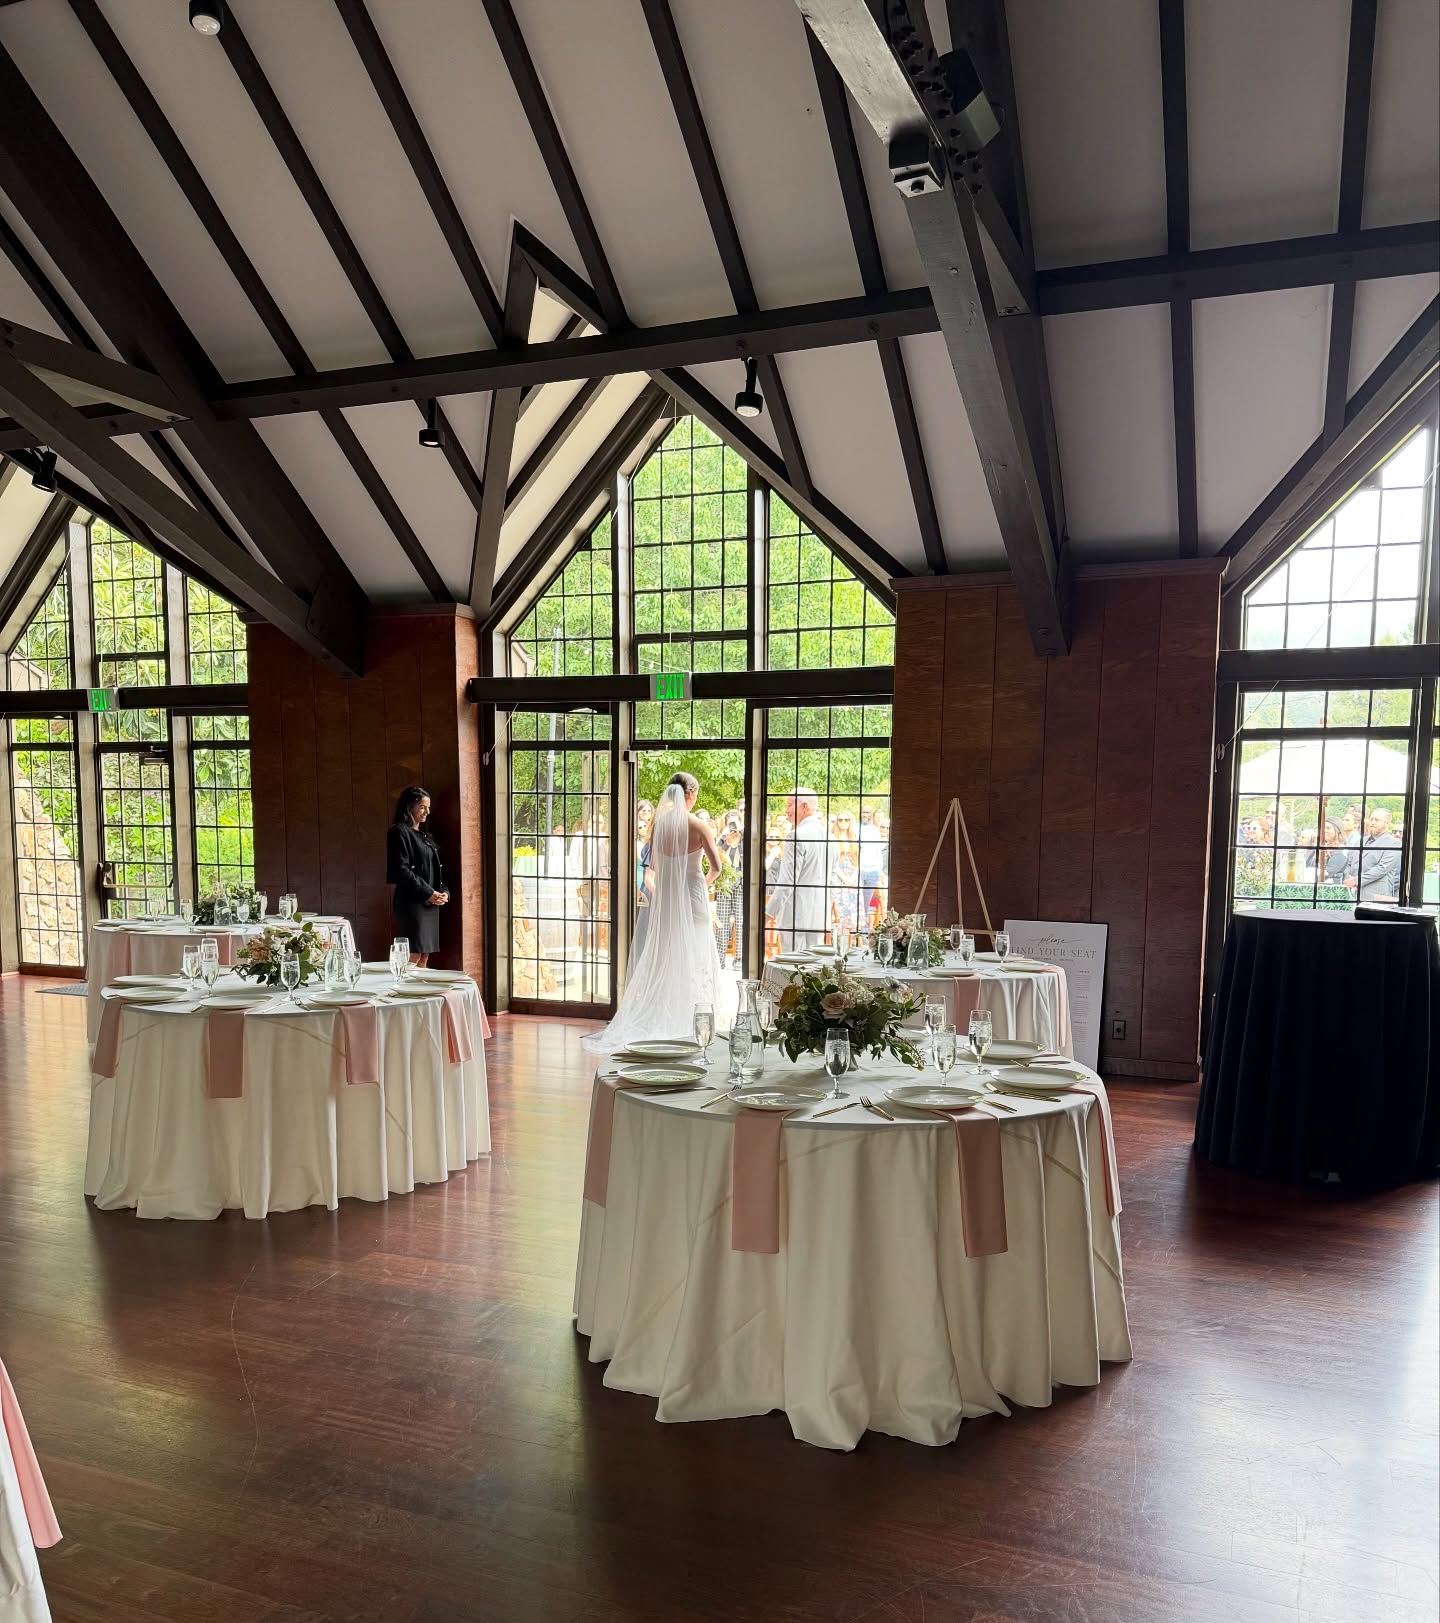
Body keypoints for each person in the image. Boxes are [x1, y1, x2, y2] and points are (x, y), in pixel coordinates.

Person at [584, 772, 727, 1054]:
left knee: (667, 951)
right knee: (698, 949)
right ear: (690, 794)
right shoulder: (700, 826)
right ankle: (698, 1019)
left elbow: (655, 869)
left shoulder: (659, 825)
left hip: (668, 897)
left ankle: (667, 1011)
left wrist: (670, 888)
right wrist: (700, 884)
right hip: (693, 894)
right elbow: (717, 867)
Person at [386, 786, 448, 966]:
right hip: (412, 903)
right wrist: (428, 892)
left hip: (430, 902)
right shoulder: (399, 832)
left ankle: (420, 994)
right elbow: (401, 870)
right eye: (422, 807)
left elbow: (437, 868)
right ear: (409, 807)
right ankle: (403, 992)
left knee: (424, 957)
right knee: (412, 956)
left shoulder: (425, 836)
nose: (427, 811)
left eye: (428, 807)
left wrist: (443, 892)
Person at [766, 787, 828, 953]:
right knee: (816, 971)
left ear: (804, 807)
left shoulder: (796, 836)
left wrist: (768, 913)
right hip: (819, 916)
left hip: (794, 917)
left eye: (789, 805)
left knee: (793, 972)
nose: (786, 811)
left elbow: (786, 882)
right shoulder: (829, 836)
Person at [1345, 807, 1402, 900]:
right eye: (1371, 819)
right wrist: (1347, 878)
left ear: (1386, 823)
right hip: (1351, 893)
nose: (1373, 822)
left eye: (1377, 820)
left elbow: (1382, 869)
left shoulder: (1394, 843)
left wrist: (1356, 881)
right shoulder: (1360, 841)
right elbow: (1348, 863)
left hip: (1376, 896)